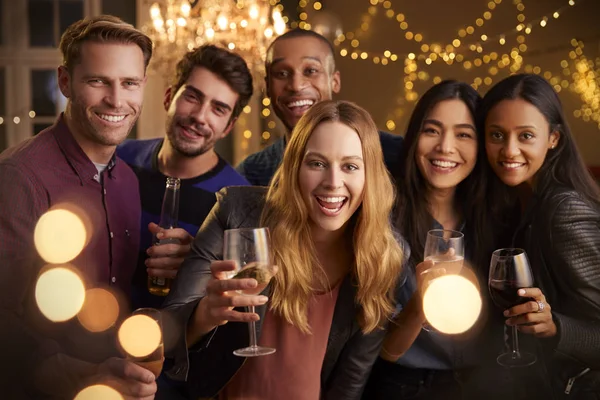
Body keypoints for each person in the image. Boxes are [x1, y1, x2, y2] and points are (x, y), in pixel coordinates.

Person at [161, 100, 406, 399]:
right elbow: (168, 331)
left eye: (350, 166)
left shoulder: (385, 255)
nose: (333, 182)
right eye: (317, 163)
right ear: (294, 167)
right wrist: (203, 315)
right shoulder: (236, 211)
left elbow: (351, 380)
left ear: (370, 176)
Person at [0, 16, 157, 399]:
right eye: (98, 80)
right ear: (66, 82)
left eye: (129, 83)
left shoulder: (129, 181)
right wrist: (79, 376)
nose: (117, 100)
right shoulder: (18, 177)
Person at [363, 80, 497, 399]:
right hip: (406, 385)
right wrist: (420, 305)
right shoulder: (383, 219)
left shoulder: (499, 216)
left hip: (487, 382)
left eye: (463, 134)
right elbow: (385, 352)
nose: (445, 147)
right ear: (414, 139)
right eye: (432, 130)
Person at [479, 73, 600, 398]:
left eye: (526, 136)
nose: (509, 150)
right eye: (497, 135)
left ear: (554, 139)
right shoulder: (518, 199)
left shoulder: (565, 211)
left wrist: (556, 326)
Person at [117, 44, 252, 310]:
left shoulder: (239, 201)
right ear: (169, 97)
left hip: (177, 347)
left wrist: (199, 266)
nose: (199, 116)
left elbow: (239, 303)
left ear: (229, 127)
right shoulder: (119, 160)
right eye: (192, 97)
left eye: (219, 109)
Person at [235, 28, 404, 186]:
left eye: (310, 71)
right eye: (282, 74)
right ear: (267, 87)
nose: (296, 85)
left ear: (334, 81)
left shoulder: (397, 156)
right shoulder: (251, 174)